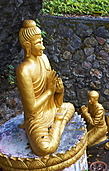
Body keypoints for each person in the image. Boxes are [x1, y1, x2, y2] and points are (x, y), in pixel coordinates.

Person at [16, 19, 75, 156]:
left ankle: (56, 123)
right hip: (36, 118)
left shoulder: (44, 59)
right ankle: (59, 122)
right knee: (44, 149)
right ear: (27, 45)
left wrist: (59, 91)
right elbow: (31, 108)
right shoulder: (23, 70)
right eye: (38, 43)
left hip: (51, 108)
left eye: (42, 42)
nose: (42, 47)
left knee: (69, 107)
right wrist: (50, 91)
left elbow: (54, 95)